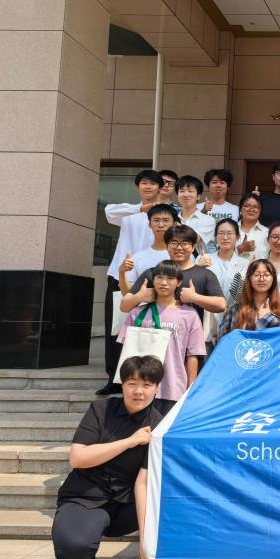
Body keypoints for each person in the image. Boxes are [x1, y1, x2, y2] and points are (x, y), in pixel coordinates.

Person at [52, 355, 172, 559]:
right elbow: (78, 458)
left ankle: (166, 558)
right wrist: (130, 441)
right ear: (122, 385)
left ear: (157, 388)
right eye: (132, 383)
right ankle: (85, 555)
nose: (139, 391)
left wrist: (145, 542)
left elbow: (143, 484)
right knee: (72, 550)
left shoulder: (159, 426)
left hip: (126, 505)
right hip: (86, 496)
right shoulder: (100, 410)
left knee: (168, 499)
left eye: (147, 385)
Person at [101, 168, 163, 395]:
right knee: (116, 328)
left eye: (152, 183)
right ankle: (114, 378)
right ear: (138, 187)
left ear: (160, 188)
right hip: (121, 275)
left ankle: (147, 378)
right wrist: (140, 208)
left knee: (148, 328)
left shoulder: (163, 215)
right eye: (144, 183)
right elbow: (108, 212)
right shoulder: (128, 212)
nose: (148, 187)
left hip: (151, 278)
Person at [117, 261, 205, 402]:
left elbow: (193, 355)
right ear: (153, 280)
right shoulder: (137, 313)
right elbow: (126, 353)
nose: (164, 282)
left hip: (174, 388)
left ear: (178, 282)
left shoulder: (190, 315)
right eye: (159, 277)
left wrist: (191, 388)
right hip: (140, 390)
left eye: (170, 278)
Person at [121, 226, 226, 325]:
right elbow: (124, 307)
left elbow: (221, 305)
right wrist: (139, 297)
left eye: (184, 243)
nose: (179, 247)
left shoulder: (205, 274)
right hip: (155, 333)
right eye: (174, 243)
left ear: (193, 247)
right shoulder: (153, 273)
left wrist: (194, 297)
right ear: (167, 246)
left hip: (189, 334)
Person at [219, 259, 280, 336]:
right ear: (249, 279)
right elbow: (224, 339)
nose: (261, 279)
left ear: (273, 279)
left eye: (266, 275)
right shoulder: (234, 309)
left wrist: (267, 317)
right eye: (256, 275)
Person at [117, 204, 178, 296]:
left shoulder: (182, 255)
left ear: (175, 224)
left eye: (166, 220)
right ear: (149, 224)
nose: (161, 225)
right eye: (156, 220)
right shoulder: (137, 258)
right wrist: (121, 272)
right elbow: (127, 294)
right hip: (144, 305)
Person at [195, 218, 248, 305]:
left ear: (237, 237)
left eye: (229, 233)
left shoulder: (245, 264)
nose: (225, 237)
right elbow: (193, 287)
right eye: (221, 233)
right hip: (207, 310)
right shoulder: (203, 258)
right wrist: (198, 269)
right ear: (215, 237)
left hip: (234, 311)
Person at [174, 175, 215, 254]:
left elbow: (195, 239)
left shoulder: (208, 220)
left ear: (198, 196)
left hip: (199, 261)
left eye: (190, 191)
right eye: (182, 191)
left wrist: (179, 228)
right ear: (177, 195)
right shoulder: (173, 218)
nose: (186, 195)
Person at [235, 192, 270, 262]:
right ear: (240, 209)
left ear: (260, 211)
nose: (251, 209)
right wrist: (240, 249)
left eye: (255, 207)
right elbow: (222, 254)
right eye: (247, 206)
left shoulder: (267, 232)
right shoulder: (231, 229)